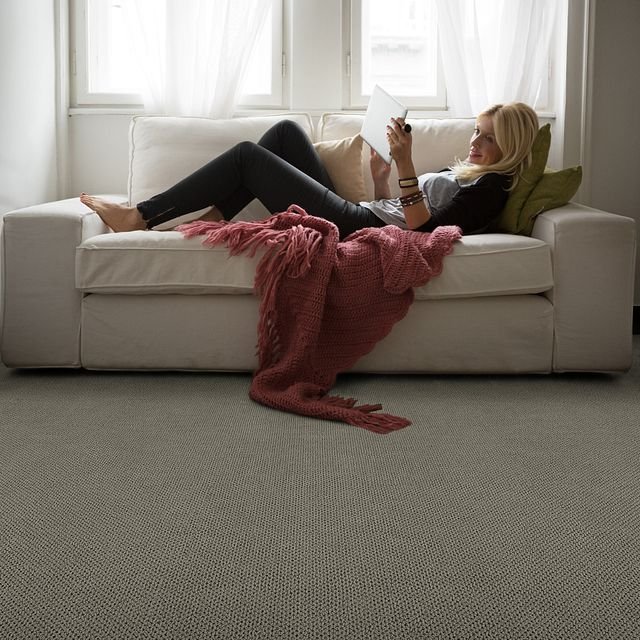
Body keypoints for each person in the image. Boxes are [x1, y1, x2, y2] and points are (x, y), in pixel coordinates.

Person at [80, 102, 539, 240]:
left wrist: (405, 163)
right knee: (283, 132)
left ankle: (139, 216)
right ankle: (215, 217)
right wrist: (383, 173)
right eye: (477, 132)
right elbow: (397, 203)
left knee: (246, 156)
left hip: (356, 228)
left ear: (512, 145)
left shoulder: (492, 187)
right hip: (363, 210)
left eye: (488, 138)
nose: (475, 143)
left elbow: (425, 233)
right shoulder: (466, 170)